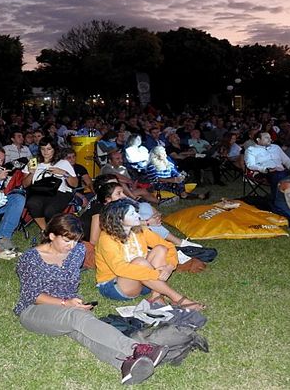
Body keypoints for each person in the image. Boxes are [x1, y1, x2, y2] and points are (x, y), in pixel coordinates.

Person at [15, 214, 167, 385]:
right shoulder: (30, 258)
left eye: (75, 240)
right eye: (67, 241)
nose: (71, 246)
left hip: (66, 307)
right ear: (51, 236)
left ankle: (124, 364)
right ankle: (136, 348)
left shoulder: (77, 251)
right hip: (33, 311)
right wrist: (66, 303)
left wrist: (74, 301)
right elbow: (33, 296)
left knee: (83, 332)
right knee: (77, 318)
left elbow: (71, 285)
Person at [95, 199, 204, 310]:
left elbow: (169, 246)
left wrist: (169, 267)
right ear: (119, 219)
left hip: (144, 282)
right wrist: (156, 274)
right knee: (140, 262)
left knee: (161, 249)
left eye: (136, 212)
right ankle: (177, 298)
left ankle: (156, 295)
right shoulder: (106, 239)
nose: (138, 215)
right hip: (116, 286)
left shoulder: (139, 230)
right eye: (132, 213)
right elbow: (120, 269)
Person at [22, 137, 78, 231]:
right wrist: (32, 173)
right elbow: (25, 184)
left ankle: (52, 229)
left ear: (54, 150)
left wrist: (64, 173)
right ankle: (45, 230)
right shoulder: (33, 162)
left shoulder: (63, 162)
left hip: (60, 191)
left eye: (49, 149)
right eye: (43, 149)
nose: (45, 152)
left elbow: (75, 184)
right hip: (39, 191)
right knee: (32, 203)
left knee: (50, 210)